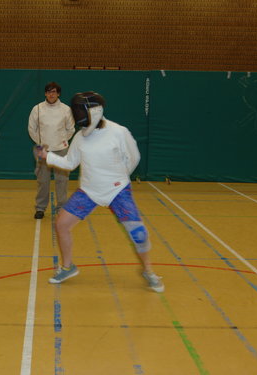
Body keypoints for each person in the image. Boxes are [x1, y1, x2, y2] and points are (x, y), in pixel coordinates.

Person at [37, 91, 164, 292]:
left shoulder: (118, 132)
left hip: (118, 191)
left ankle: (148, 271)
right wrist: (48, 156)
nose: (77, 113)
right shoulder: (80, 137)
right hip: (88, 191)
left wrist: (117, 180)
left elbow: (134, 158)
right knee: (61, 224)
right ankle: (68, 267)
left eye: (81, 109)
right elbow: (70, 163)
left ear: (94, 110)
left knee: (139, 234)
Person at [28, 82, 75, 219]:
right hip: (43, 151)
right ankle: (40, 208)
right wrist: (40, 143)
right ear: (45, 93)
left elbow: (71, 129)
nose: (51, 94)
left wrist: (62, 141)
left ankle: (61, 208)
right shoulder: (37, 109)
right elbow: (32, 128)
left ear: (58, 94)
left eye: (54, 92)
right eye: (48, 92)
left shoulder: (66, 109)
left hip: (61, 150)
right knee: (43, 181)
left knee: (62, 181)